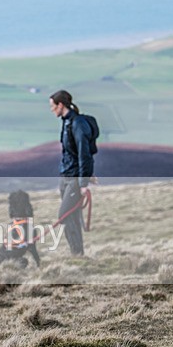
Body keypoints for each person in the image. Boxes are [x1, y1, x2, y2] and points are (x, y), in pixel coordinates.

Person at [49, 89, 94, 256]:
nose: (51, 110)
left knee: (64, 215)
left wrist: (83, 182)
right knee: (72, 217)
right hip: (65, 176)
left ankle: (77, 253)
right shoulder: (65, 122)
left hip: (74, 178)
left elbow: (84, 153)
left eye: (53, 106)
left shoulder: (77, 124)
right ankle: (77, 254)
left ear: (61, 105)